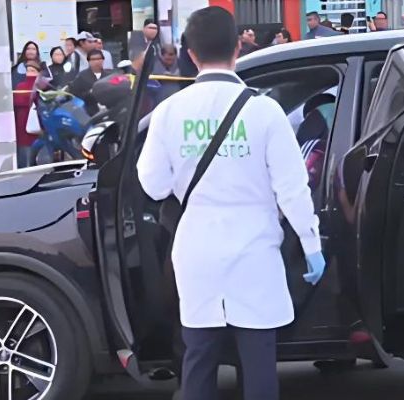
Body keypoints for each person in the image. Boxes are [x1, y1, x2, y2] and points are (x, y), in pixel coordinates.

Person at [137, 6, 325, 400]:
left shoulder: (169, 111)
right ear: (238, 47)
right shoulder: (265, 111)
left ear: (191, 54)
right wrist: (311, 246)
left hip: (197, 252)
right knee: (258, 361)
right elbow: (293, 188)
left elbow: (153, 186)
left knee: (199, 357)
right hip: (255, 253)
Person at [14, 61, 42, 169]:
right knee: (24, 154)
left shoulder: (42, 87)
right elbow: (18, 101)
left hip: (38, 123)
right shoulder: (21, 86)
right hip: (23, 124)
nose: (30, 73)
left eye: (33, 71)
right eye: (28, 71)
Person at [69, 49, 111, 116]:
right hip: (89, 112)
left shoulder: (109, 76)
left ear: (103, 60)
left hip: (108, 112)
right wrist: (89, 93)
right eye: (93, 59)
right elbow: (75, 94)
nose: (96, 62)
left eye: (99, 59)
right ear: (89, 61)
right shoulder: (82, 76)